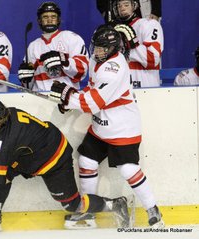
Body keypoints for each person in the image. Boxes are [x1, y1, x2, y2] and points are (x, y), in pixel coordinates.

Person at [49, 24, 164, 228]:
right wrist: (70, 101)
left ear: (113, 49)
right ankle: (88, 212)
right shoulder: (97, 60)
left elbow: (93, 103)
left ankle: (153, 209)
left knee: (128, 169)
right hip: (101, 127)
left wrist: (68, 96)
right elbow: (91, 88)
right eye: (96, 47)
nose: (97, 51)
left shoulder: (115, 68)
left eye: (102, 48)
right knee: (87, 161)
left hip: (122, 129)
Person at [0, 99, 130, 232]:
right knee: (5, 175)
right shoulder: (7, 116)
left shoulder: (7, 140)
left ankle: (116, 205)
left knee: (73, 205)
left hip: (54, 158)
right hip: (32, 152)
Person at [18, 2, 89, 91]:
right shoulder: (33, 46)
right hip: (39, 99)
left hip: (66, 98)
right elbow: (28, 87)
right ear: (39, 21)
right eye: (45, 17)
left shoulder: (71, 37)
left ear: (58, 19)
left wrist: (64, 62)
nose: (49, 20)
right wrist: (26, 79)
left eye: (53, 16)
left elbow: (82, 71)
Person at [112, 0, 164, 88]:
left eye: (126, 5)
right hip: (123, 87)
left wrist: (132, 45)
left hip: (146, 84)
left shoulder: (149, 24)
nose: (122, 8)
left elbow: (152, 58)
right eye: (119, 6)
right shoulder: (115, 30)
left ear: (134, 6)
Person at [96, 0, 161, 23]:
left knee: (148, 43)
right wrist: (108, 14)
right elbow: (101, 4)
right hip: (118, 15)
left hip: (144, 11)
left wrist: (156, 11)